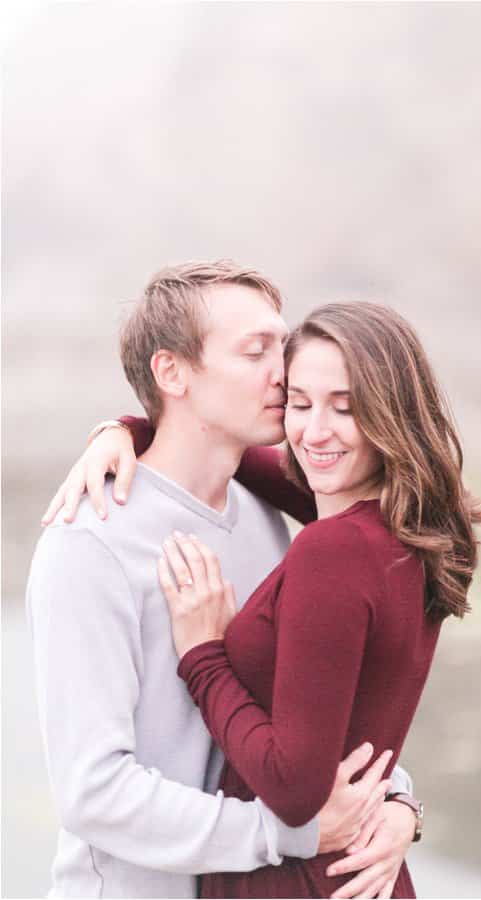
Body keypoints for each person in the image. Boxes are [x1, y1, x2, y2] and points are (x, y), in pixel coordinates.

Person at [30, 262, 420, 898]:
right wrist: (285, 833)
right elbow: (92, 792)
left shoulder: (270, 516)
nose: (285, 371)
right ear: (172, 373)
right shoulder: (89, 541)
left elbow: (306, 706)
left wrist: (399, 800)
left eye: (283, 346)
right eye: (255, 351)